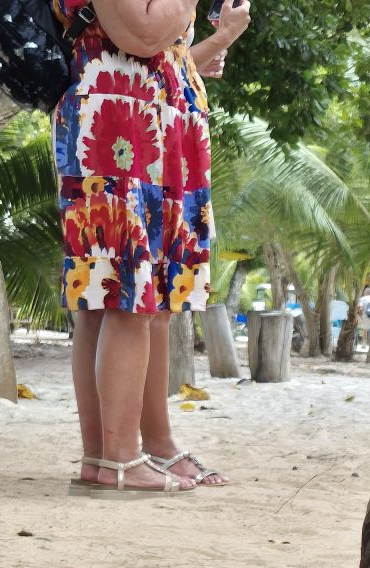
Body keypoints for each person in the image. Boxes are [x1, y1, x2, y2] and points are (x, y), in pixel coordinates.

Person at [57, 0, 224, 491]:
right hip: (118, 115)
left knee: (132, 295)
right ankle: (119, 457)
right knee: (122, 292)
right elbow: (142, 32)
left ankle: (128, 452)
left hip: (152, 114)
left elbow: (156, 43)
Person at [135, 0, 252, 488]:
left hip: (166, 129)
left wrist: (206, 47)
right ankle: (146, 447)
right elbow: (141, 41)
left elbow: (166, 63)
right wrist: (220, 37)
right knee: (146, 305)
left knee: (157, 306)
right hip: (146, 133)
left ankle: (142, 445)